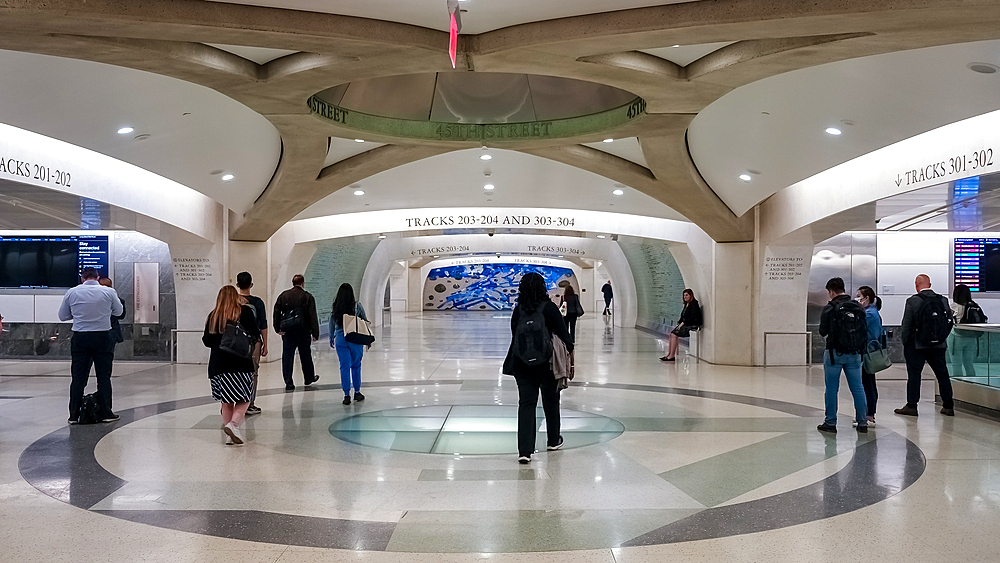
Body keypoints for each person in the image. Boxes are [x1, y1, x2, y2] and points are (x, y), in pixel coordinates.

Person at [502, 272, 574, 464]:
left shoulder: (519, 310)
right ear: (542, 288)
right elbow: (565, 336)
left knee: (526, 403)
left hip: (522, 364)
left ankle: (525, 451)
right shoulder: (549, 308)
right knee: (551, 400)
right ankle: (553, 439)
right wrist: (569, 358)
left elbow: (514, 335)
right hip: (547, 363)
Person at [59, 267, 124, 424]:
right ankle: (107, 413)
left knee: (78, 378)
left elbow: (63, 316)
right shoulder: (108, 292)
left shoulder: (72, 292)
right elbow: (118, 312)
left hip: (80, 338)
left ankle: (74, 415)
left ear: (82, 278)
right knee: (103, 377)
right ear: (97, 277)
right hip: (103, 337)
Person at [202, 285, 261, 445]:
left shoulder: (213, 315)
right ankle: (233, 425)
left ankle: (230, 435)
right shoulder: (245, 312)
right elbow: (255, 333)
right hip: (240, 362)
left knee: (226, 401)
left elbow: (207, 341)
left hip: (218, 364)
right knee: (244, 398)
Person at [895, 274, 955, 417]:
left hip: (917, 345)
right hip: (938, 345)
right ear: (930, 284)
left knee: (915, 375)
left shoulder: (912, 301)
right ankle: (948, 405)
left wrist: (905, 342)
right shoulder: (943, 300)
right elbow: (949, 321)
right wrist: (942, 338)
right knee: (942, 374)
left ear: (916, 285)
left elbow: (907, 325)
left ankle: (912, 405)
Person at [817, 277, 868, 434]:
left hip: (834, 354)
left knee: (832, 389)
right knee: (858, 388)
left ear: (832, 291)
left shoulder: (830, 308)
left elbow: (822, 331)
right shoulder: (858, 307)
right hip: (855, 354)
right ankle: (862, 422)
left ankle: (830, 423)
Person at [273, 274, 319, 392]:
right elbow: (312, 315)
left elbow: (276, 312)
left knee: (287, 356)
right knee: (305, 354)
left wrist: (277, 328)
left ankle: (288, 382)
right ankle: (308, 378)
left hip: (288, 332)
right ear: (303, 283)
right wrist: (315, 332)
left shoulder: (283, 296)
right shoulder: (307, 297)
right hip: (303, 331)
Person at [330, 283, 368, 405]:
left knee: (344, 366)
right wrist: (367, 339)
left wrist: (331, 338)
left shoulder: (336, 307)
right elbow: (364, 321)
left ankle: (346, 395)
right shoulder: (357, 306)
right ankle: (357, 392)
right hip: (355, 339)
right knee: (356, 365)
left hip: (341, 339)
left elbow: (332, 324)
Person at [237, 271, 268, 415]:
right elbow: (263, 325)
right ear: (251, 284)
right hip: (254, 341)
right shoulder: (258, 302)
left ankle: (234, 401)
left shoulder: (233, 301)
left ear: (237, 285)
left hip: (236, 343)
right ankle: (250, 403)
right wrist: (265, 344)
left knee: (236, 371)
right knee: (253, 373)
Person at [856, 285, 882, 427]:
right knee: (869, 382)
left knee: (867, 384)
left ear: (866, 298)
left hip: (867, 352)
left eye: (859, 295)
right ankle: (869, 413)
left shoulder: (869, 313)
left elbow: (860, 329)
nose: (857, 298)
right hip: (869, 351)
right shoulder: (872, 311)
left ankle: (869, 414)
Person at [950, 283, 984, 378]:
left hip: (957, 337)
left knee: (956, 364)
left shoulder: (954, 306)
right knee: (969, 364)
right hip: (971, 337)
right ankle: (972, 384)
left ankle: (958, 386)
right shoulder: (974, 305)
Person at [660, 289, 702, 362]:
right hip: (686, 324)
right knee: (672, 334)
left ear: (690, 295)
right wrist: (679, 322)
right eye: (684, 295)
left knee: (674, 335)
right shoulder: (686, 304)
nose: (685, 297)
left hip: (692, 325)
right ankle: (669, 354)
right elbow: (683, 316)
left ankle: (672, 356)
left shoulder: (694, 304)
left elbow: (693, 317)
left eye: (687, 295)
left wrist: (683, 323)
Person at [98, 277, 127, 347]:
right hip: (112, 332)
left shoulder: (95, 301)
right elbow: (121, 316)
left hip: (98, 331)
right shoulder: (118, 300)